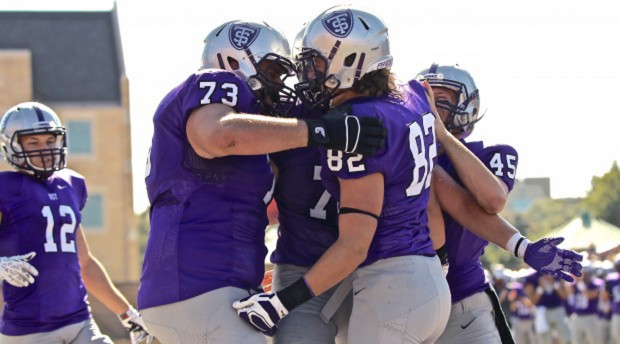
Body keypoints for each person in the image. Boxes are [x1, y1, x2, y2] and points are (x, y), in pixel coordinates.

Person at [138, 19, 386, 344]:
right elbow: (218, 135)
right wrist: (318, 131)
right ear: (235, 61)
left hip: (197, 286)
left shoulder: (252, 139)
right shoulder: (216, 81)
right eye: (272, 72)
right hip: (199, 284)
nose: (278, 83)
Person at [233, 6, 452, 343]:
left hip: (390, 286)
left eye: (316, 62)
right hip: (428, 281)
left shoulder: (356, 126)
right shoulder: (412, 96)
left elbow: (354, 245)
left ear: (350, 61)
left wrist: (280, 303)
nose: (307, 73)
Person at [0, 102, 151, 343]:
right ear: (13, 145)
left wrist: (127, 314)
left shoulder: (70, 184)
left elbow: (85, 263)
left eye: (50, 141)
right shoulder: (5, 188)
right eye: (34, 142)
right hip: (28, 332)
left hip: (79, 322)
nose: (45, 149)